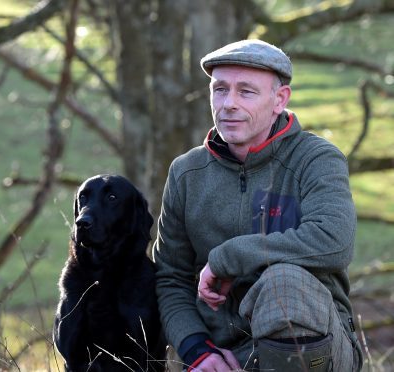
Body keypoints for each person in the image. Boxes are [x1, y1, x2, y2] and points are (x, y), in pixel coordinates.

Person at [153, 39, 363, 371]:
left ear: (279, 99)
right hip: (216, 355)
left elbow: (334, 240)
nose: (229, 104)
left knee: (283, 282)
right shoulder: (186, 173)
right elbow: (170, 278)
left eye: (246, 92)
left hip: (315, 349)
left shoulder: (316, 160)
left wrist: (227, 258)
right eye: (220, 90)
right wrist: (197, 350)